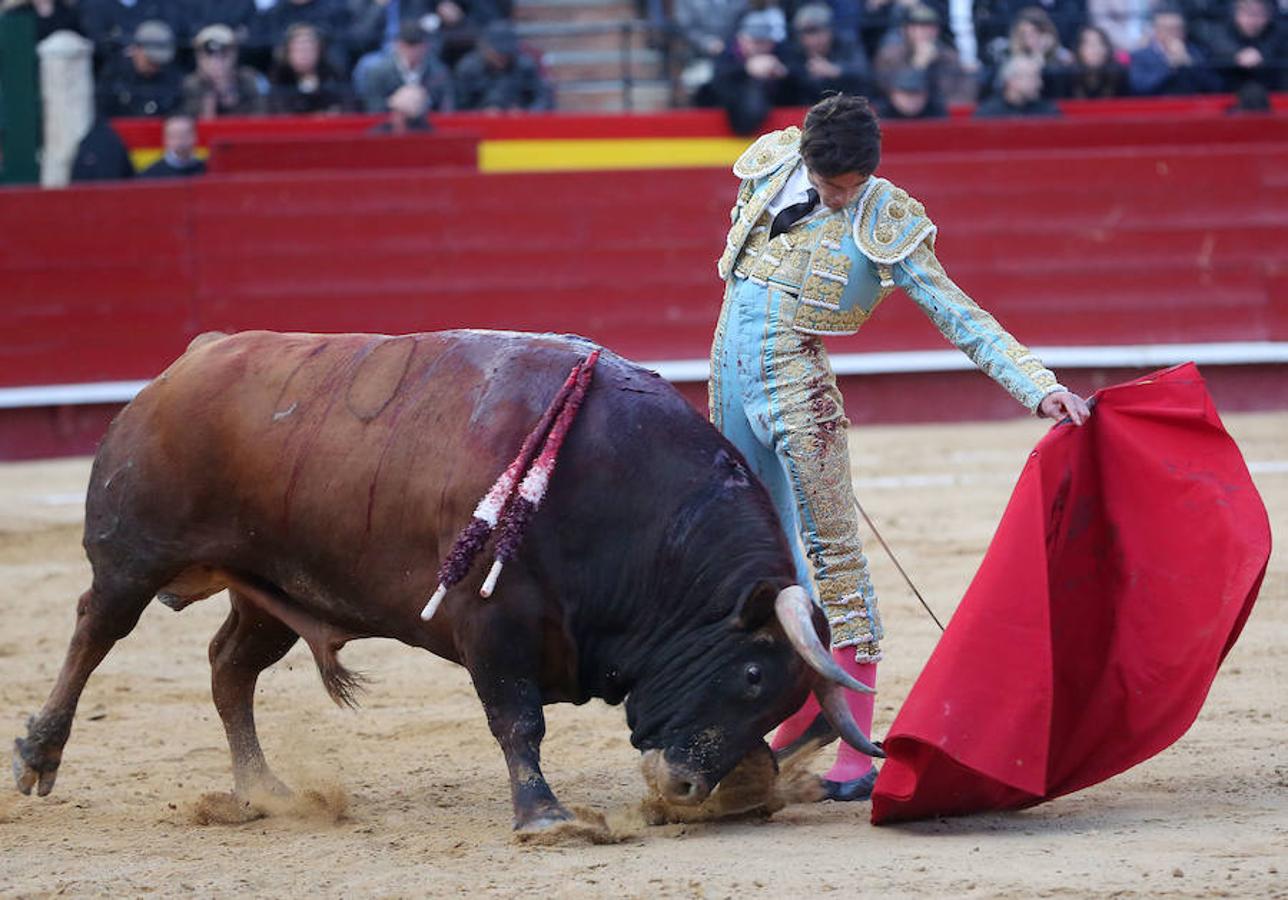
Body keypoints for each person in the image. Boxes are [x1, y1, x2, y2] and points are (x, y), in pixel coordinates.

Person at [709, 94, 1089, 801]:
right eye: (831, 186)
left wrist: (1038, 386)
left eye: (852, 188)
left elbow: (955, 310)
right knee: (753, 559)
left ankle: (855, 754)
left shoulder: (886, 216)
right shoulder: (767, 167)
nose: (840, 199)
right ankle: (796, 716)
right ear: (807, 160)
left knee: (836, 560)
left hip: (800, 397)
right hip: (726, 382)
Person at [702, 8, 792, 134]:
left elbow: (799, 77)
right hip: (732, 125)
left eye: (766, 42)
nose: (761, 47)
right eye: (756, 41)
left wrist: (784, 74)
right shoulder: (726, 55)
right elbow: (715, 84)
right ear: (741, 39)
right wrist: (746, 69)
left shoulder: (781, 53)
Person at [873, 3, 976, 109]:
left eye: (929, 27)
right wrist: (918, 65)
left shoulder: (949, 57)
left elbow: (964, 95)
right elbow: (885, 90)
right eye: (917, 27)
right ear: (905, 30)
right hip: (896, 117)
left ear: (937, 31)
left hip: (939, 117)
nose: (924, 33)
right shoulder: (890, 55)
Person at [779, 3, 873, 105]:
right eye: (808, 33)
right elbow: (788, 73)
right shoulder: (793, 50)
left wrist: (836, 71)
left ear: (830, 31)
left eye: (819, 32)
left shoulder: (847, 44)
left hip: (845, 106)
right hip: (802, 109)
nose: (815, 40)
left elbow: (863, 73)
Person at [353, 18, 455, 113]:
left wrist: (423, 100)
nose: (412, 51)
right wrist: (395, 103)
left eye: (416, 46)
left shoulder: (439, 72)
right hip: (388, 128)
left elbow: (448, 108)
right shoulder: (377, 73)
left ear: (425, 46)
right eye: (407, 45)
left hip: (428, 127)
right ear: (397, 45)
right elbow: (372, 107)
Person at [453, 21, 552, 111]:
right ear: (485, 48)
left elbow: (543, 99)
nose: (503, 58)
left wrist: (526, 113)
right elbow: (458, 106)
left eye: (507, 53)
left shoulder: (525, 66)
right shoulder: (468, 69)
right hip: (479, 126)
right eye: (498, 53)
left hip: (519, 125)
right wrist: (481, 113)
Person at [96, 19, 185, 118]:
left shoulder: (172, 78)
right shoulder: (114, 75)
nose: (155, 66)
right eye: (150, 60)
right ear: (136, 50)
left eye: (159, 63)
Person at [1128, 5, 1222, 95]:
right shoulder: (1141, 56)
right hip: (1155, 108)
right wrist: (1169, 68)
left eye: (1178, 29)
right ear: (1157, 31)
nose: (1173, 33)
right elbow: (1139, 88)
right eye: (1168, 29)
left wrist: (1189, 64)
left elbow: (1215, 87)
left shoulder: (1197, 53)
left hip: (1192, 107)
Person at [1198, 0, 1286, 93]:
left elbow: (1278, 46)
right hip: (1226, 93)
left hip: (1272, 92)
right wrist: (1237, 55)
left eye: (1259, 14)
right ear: (1236, 14)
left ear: (1268, 16)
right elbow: (1218, 45)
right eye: (1247, 14)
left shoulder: (1278, 32)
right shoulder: (1222, 29)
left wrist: (1262, 54)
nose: (1253, 21)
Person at [182, 24, 268, 118]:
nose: (216, 63)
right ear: (199, 58)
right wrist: (208, 105)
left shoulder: (249, 79)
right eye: (208, 56)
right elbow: (188, 126)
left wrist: (233, 101)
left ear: (234, 55)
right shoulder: (190, 85)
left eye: (223, 55)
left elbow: (260, 119)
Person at [267, 22, 353, 113]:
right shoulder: (278, 79)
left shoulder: (334, 76)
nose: (304, 54)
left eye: (309, 49)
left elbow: (348, 107)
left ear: (319, 51)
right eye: (299, 49)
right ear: (287, 52)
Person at [974, 53, 1062, 114]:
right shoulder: (989, 114)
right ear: (1012, 81)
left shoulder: (1048, 112)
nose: (1040, 84)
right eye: (1032, 77)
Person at [1068, 24, 1127, 98]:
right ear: (1078, 49)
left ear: (1107, 48)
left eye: (1100, 43)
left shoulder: (1120, 77)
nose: (1095, 49)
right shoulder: (1066, 78)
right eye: (1088, 44)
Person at [138, 114, 206, 178]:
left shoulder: (206, 169)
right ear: (166, 140)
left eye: (184, 135)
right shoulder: (151, 175)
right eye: (174, 136)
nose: (180, 141)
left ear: (195, 137)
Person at [875, 65, 948, 117]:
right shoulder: (881, 116)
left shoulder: (936, 113)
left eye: (916, 93)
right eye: (905, 93)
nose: (910, 99)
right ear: (892, 95)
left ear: (926, 95)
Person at [368, 82, 435, 131]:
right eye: (394, 111)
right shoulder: (379, 134)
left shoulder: (427, 134)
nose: (394, 117)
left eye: (399, 113)